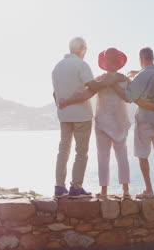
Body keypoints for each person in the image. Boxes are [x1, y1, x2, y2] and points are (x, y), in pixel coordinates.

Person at [60, 48, 154, 199]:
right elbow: (136, 96)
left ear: (105, 62)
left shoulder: (100, 80)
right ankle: (125, 190)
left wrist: (66, 101)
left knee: (103, 157)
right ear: (118, 62)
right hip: (120, 122)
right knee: (122, 156)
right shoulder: (124, 80)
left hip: (102, 121)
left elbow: (86, 94)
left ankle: (104, 191)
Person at [52, 37, 118, 197]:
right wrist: (106, 80)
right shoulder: (81, 65)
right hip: (81, 115)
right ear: (81, 49)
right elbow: (92, 87)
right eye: (86, 49)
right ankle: (76, 187)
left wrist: (62, 106)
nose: (86, 52)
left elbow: (55, 93)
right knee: (81, 152)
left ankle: (59, 187)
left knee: (63, 151)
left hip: (64, 115)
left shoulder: (57, 67)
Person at [113, 47, 154, 199]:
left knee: (142, 155)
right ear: (152, 57)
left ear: (141, 59)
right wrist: (136, 73)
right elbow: (149, 75)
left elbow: (128, 97)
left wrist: (116, 86)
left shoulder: (142, 76)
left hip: (146, 120)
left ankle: (149, 190)